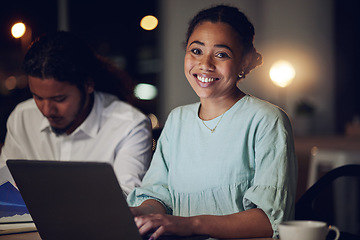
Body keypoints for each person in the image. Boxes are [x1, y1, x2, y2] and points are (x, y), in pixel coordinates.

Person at [127, 5, 297, 239]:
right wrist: (137, 213)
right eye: (196, 51)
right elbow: (158, 195)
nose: (205, 64)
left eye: (221, 54)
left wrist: (190, 224)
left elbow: (269, 220)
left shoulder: (266, 120)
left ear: (245, 62)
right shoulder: (178, 119)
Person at [0, 31, 152, 195]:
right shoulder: (22, 116)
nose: (46, 110)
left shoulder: (129, 124)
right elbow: (6, 188)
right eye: (38, 97)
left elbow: (127, 199)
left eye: (59, 99)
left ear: (88, 84)